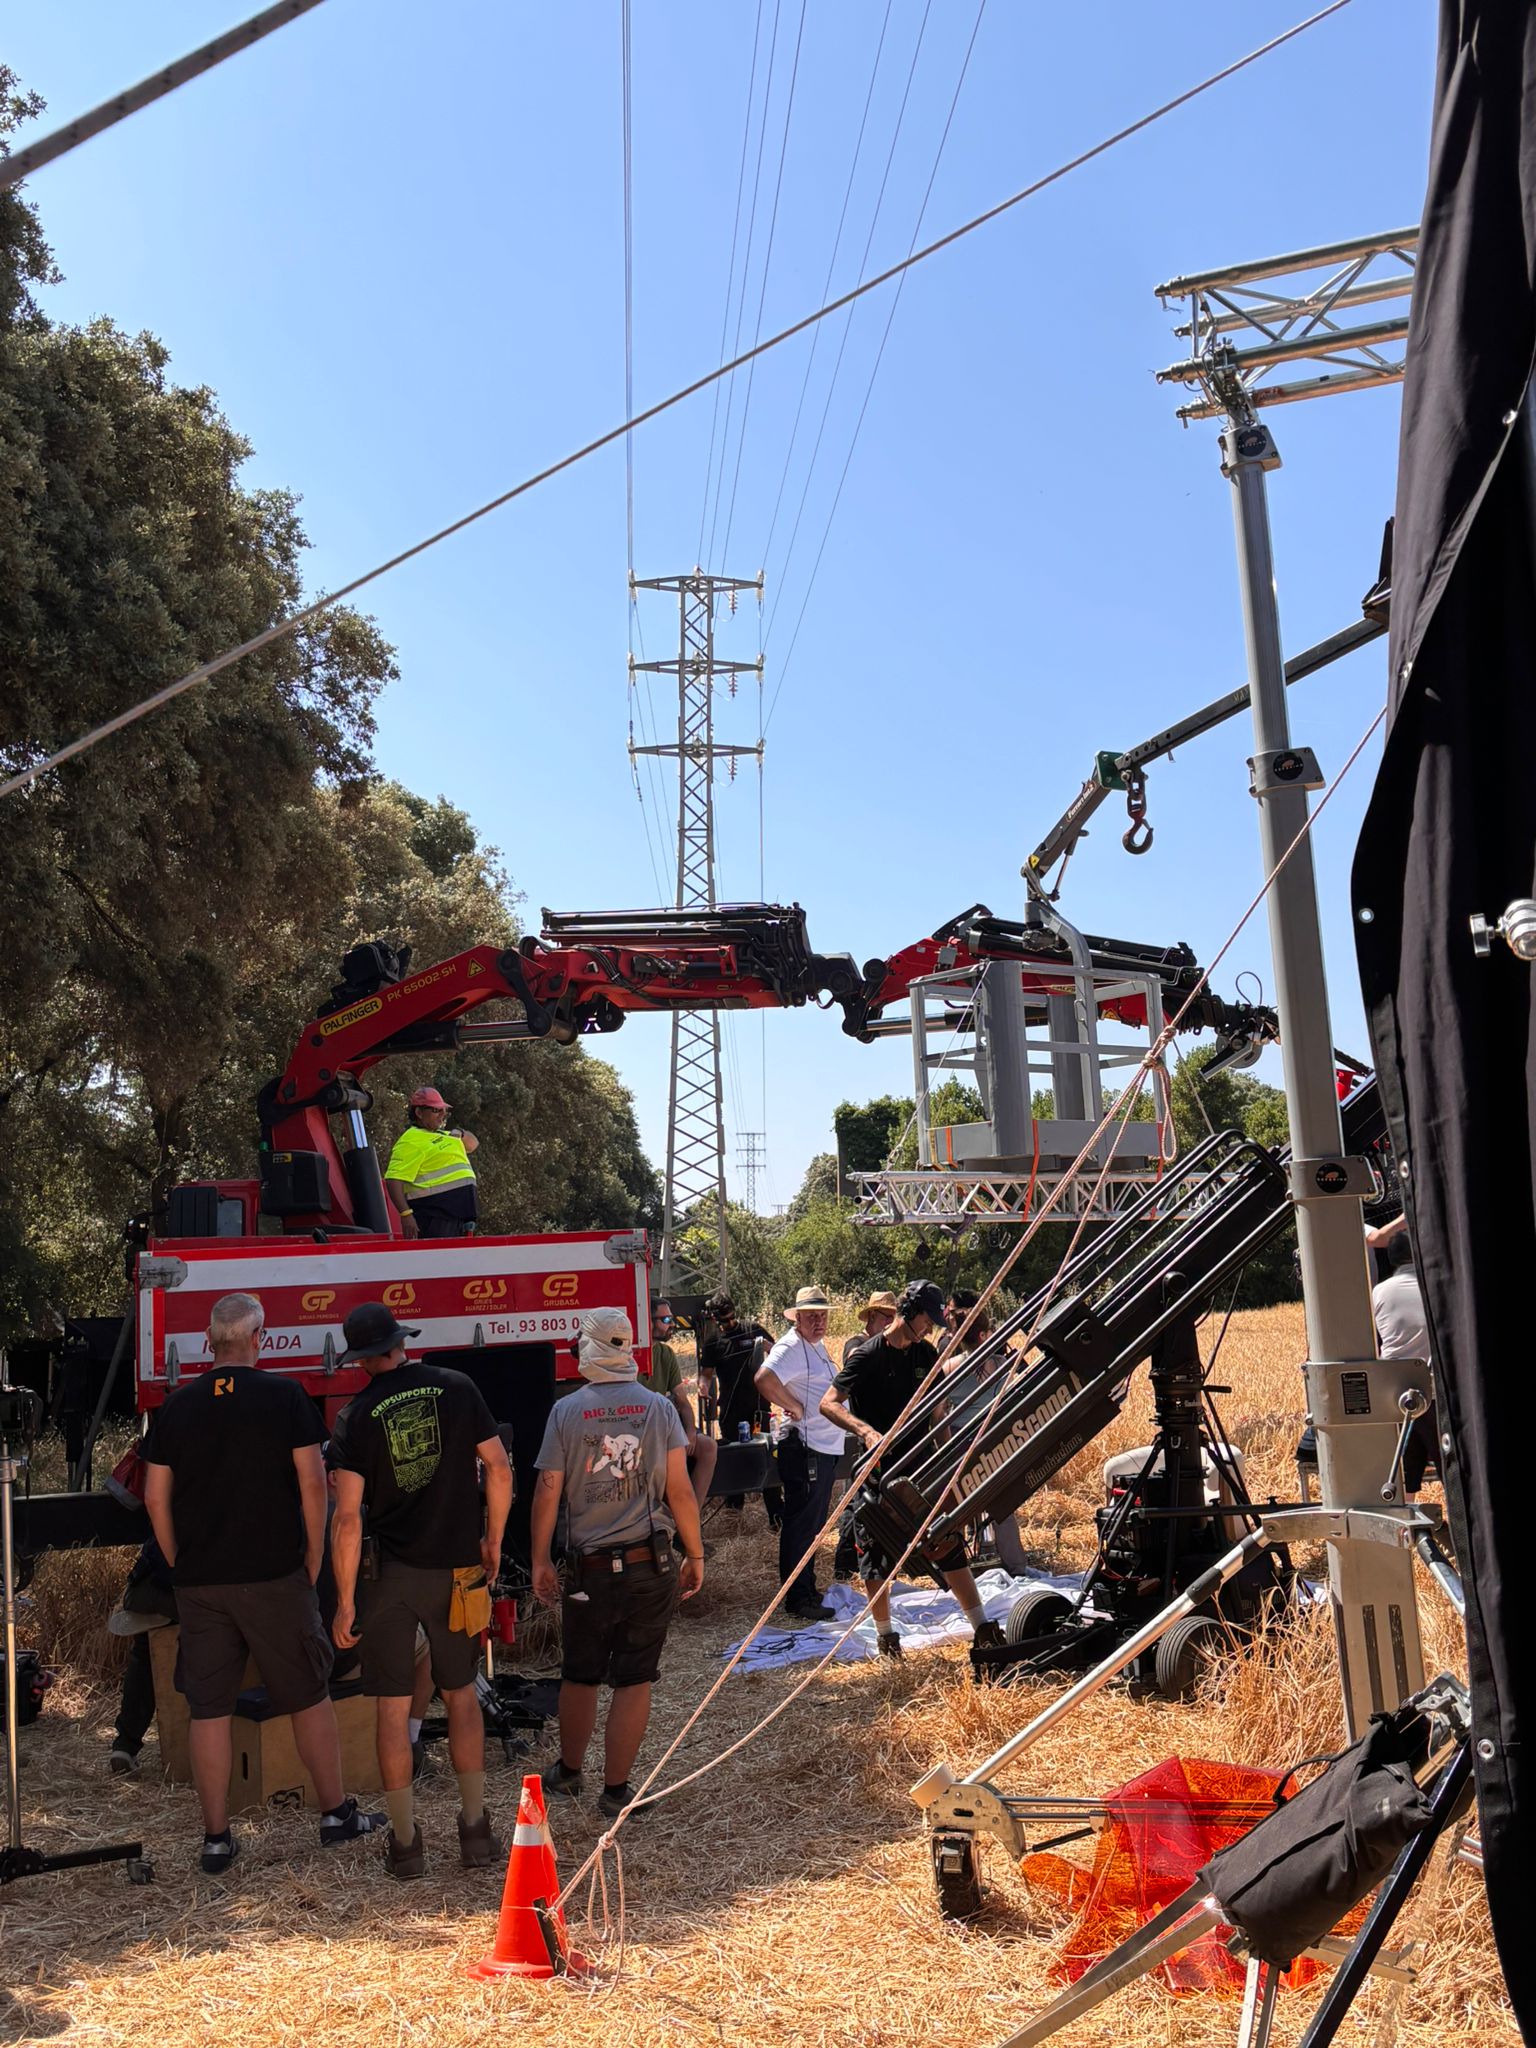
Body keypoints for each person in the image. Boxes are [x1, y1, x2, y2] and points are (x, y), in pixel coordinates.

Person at [141, 1292, 386, 1872]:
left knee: (208, 1710)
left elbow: (154, 1496)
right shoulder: (285, 1396)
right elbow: (313, 1484)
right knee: (308, 1694)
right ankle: (335, 1815)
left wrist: (179, 1561)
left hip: (200, 1581)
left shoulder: (176, 1406)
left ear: (209, 1343)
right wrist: (313, 1556)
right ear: (259, 1339)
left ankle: (216, 1839)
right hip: (276, 1576)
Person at [327, 1301, 513, 1880]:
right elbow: (499, 1468)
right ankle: (475, 1830)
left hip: (387, 1578)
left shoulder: (355, 1416)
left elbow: (347, 1519)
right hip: (458, 1571)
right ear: (400, 1342)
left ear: (362, 1359)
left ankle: (406, 1844)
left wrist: (345, 1599)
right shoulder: (457, 1387)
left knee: (390, 1708)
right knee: (461, 1697)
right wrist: (492, 1540)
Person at [532, 1308, 704, 1820]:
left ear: (587, 1349)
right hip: (649, 1564)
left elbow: (547, 1493)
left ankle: (568, 1772)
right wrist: (695, 1553)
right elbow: (680, 1492)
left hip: (588, 1569)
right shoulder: (658, 1408)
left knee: (580, 1674)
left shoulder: (566, 1411)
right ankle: (616, 1790)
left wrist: (539, 1559)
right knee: (634, 1679)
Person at [821, 1279, 1006, 1660]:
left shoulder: (926, 1354)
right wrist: (865, 1431)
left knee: (946, 1541)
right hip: (879, 1471)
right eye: (927, 1320)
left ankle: (982, 1627)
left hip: (921, 1470)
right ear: (909, 1312)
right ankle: (886, 1637)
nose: (930, 1328)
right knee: (874, 1555)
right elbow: (829, 1402)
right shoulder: (867, 1355)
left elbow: (938, 1412)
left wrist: (951, 1458)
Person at [755, 1286, 847, 1622]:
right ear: (797, 1318)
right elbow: (764, 1378)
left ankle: (805, 1588)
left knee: (810, 1524)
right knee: (801, 1524)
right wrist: (792, 1405)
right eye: (811, 1316)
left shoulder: (813, 1346)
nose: (819, 1321)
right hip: (806, 1446)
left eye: (822, 1315)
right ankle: (798, 1598)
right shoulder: (791, 1346)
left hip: (819, 1445)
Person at [944, 1290, 1030, 1576]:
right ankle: (1015, 1566)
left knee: (958, 1507)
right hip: (993, 1440)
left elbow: (940, 1410)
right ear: (983, 1334)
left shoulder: (948, 1368)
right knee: (1001, 1504)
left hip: (959, 1440)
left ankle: (957, 1568)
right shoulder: (1001, 1364)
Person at [831, 1293, 899, 1579]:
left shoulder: (887, 1346)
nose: (890, 1323)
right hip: (863, 1432)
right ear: (872, 1316)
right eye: (886, 1317)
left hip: (881, 1434)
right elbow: (853, 1364)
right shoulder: (857, 1344)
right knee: (854, 1502)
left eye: (894, 1317)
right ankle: (845, 1564)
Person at [699, 1291, 780, 1522]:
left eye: (731, 1317)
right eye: (724, 1320)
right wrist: (703, 1387)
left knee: (767, 1457)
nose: (730, 1323)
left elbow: (779, 1352)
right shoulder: (713, 1342)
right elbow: (706, 1374)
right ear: (715, 1319)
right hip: (730, 1411)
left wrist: (769, 1347)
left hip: (758, 1408)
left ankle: (776, 1515)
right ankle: (734, 1516)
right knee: (734, 1462)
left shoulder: (752, 1329)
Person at [1372, 1229, 1437, 1491]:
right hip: (1435, 1391)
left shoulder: (1379, 1292)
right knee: (1451, 1467)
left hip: (1394, 1391)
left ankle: (1406, 1511)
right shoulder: (1435, 1285)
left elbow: (1374, 1340)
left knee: (1402, 1475)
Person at [648, 1298, 718, 1516]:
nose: (672, 1324)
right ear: (647, 1322)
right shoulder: (630, 1356)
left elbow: (682, 1401)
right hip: (644, 1432)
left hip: (665, 1429)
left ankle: (690, 1521)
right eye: (666, 1320)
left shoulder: (666, 1354)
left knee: (708, 1447)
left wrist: (690, 1432)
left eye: (671, 1319)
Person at [383, 1086, 480, 1239]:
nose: (442, 1115)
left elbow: (473, 1143)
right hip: (434, 1217)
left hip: (457, 1218)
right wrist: (406, 1214)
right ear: (419, 1112)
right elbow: (393, 1180)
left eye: (444, 1110)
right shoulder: (411, 1141)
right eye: (436, 1110)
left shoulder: (445, 1135)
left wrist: (460, 1133)